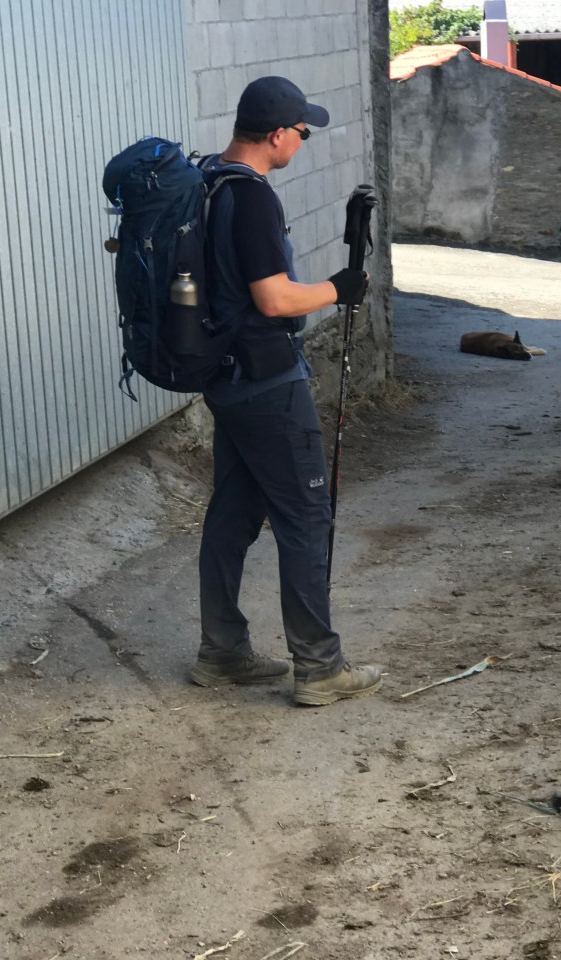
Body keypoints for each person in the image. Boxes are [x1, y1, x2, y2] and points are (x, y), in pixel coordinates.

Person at [191, 76, 381, 706]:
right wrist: (337, 289)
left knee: (233, 513)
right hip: (267, 380)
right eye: (301, 132)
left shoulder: (207, 180)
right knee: (306, 517)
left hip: (226, 378)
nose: (302, 142)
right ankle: (320, 666)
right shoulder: (251, 198)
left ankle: (222, 652)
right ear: (276, 134)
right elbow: (273, 298)